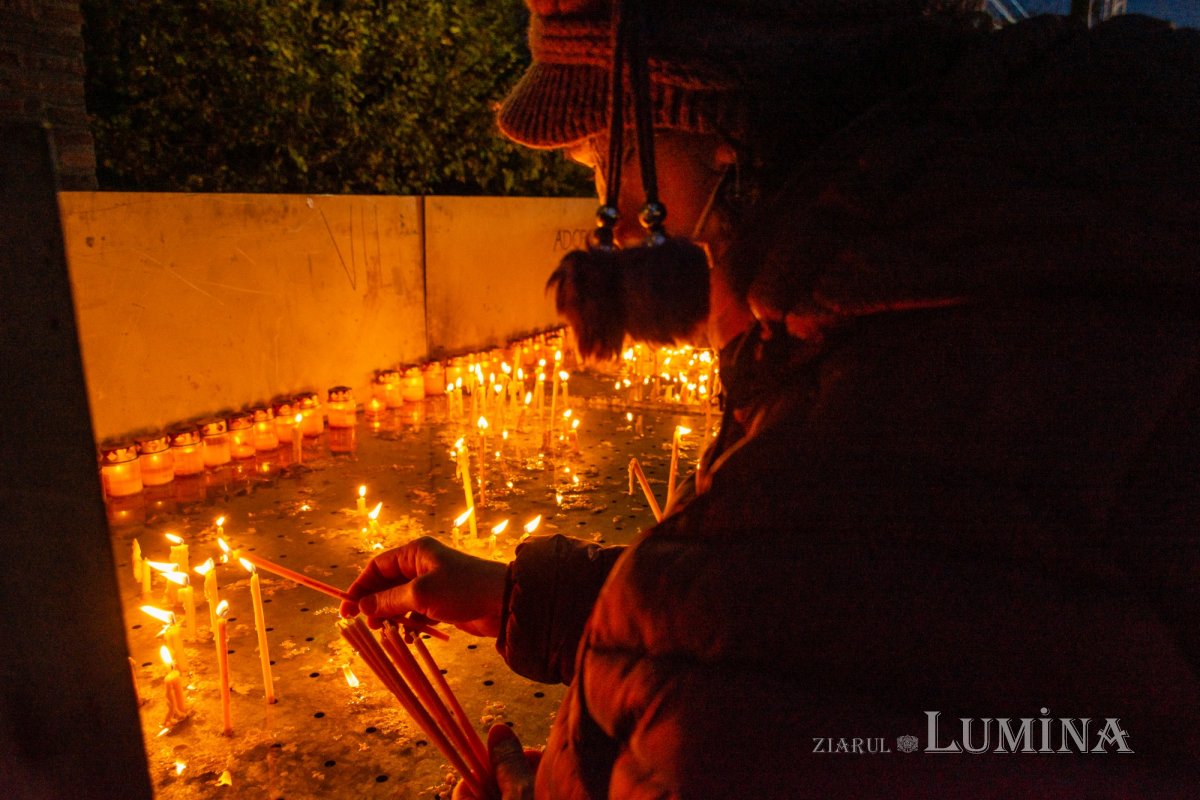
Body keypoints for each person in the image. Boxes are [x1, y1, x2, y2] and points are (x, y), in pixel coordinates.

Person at [343, 1, 1200, 796]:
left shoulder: (801, 519)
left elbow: (777, 630)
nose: (600, 214)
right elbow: (885, 620)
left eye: (602, 160)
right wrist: (544, 605)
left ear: (719, 134)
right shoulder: (1059, 288)